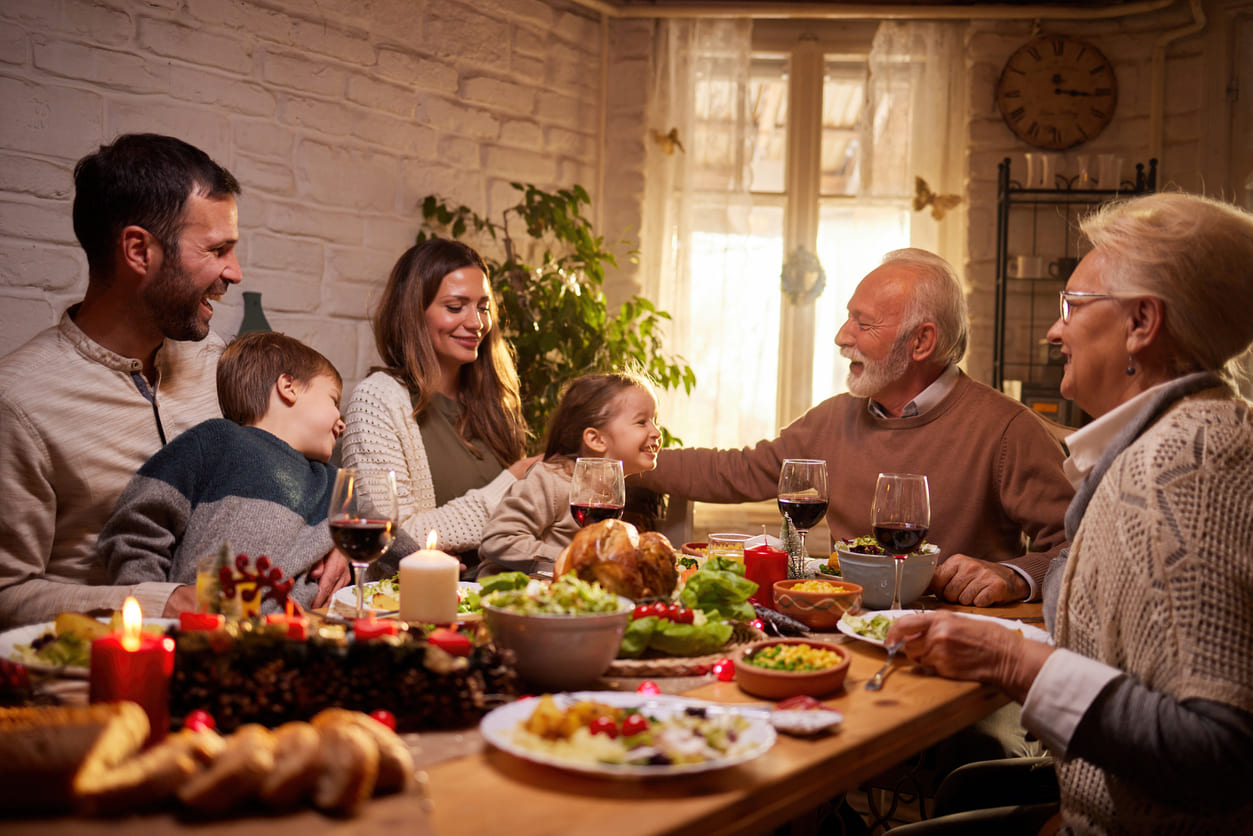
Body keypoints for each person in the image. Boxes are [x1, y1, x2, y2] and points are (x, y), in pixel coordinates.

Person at [886, 193, 1253, 834]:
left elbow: (1218, 757)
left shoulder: (1181, 469)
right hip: (1090, 802)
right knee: (960, 791)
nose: (1053, 331)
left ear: (1142, 322)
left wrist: (1010, 660)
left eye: (1073, 308)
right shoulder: (1167, 443)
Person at [634, 248, 1073, 606]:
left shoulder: (1007, 430)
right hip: (844, 631)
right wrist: (622, 459)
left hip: (955, 652)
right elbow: (737, 471)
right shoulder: (833, 419)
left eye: (864, 324)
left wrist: (1015, 577)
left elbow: (1078, 546)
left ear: (921, 341)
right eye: (849, 318)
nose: (843, 336)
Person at [0, 134, 242, 628]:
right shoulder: (18, 402)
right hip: (98, 679)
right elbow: (6, 593)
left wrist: (331, 545)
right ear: (138, 250)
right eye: (217, 249)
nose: (233, 272)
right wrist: (155, 604)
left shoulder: (218, 361)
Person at [98, 332, 401, 613]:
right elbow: (137, 526)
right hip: (201, 631)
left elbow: (390, 541)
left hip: (298, 638)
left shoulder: (331, 480)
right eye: (334, 400)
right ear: (289, 387)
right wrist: (153, 609)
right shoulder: (216, 441)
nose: (342, 421)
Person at [340, 238, 538, 575]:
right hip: (418, 606)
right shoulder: (377, 401)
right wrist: (511, 482)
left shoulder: (494, 401)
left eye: (483, 306)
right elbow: (393, 538)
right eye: (456, 306)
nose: (477, 323)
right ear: (414, 312)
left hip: (502, 598)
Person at [479, 372, 662, 576]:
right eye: (642, 422)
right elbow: (498, 539)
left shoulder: (611, 492)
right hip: (509, 596)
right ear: (596, 439)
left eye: (655, 421)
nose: (657, 432)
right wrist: (571, 560)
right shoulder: (550, 480)